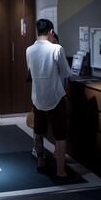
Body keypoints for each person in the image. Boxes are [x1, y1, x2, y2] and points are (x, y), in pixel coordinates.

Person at [26, 19, 75, 182]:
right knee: (60, 136)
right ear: (51, 32)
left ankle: (40, 162)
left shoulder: (29, 50)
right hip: (56, 97)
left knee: (38, 132)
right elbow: (66, 72)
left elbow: (31, 72)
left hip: (38, 98)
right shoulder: (57, 49)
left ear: (36, 31)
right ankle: (61, 171)